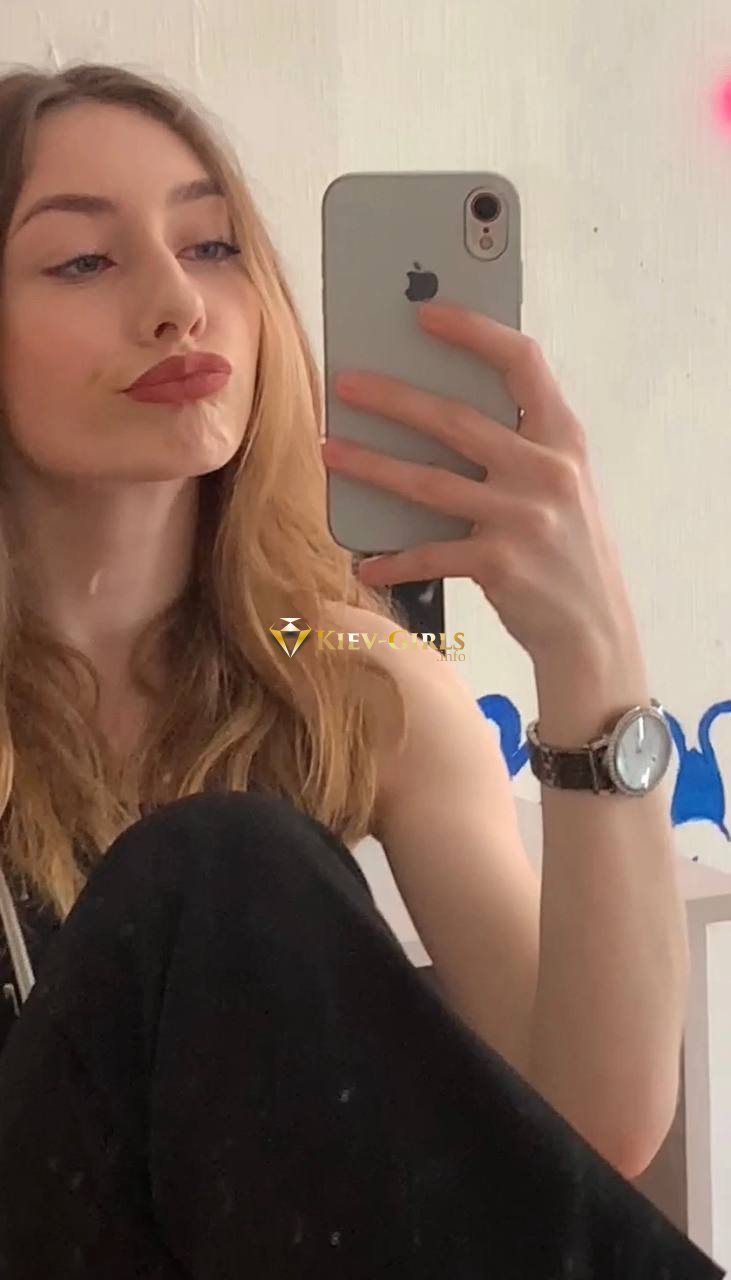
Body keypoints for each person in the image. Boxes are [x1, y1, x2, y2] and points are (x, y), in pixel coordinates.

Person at [0, 59, 723, 1279]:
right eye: (83, 260)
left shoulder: (333, 662)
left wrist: (588, 654)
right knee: (216, 862)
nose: (178, 303)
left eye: (213, 246)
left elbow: (582, 1134)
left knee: (226, 858)